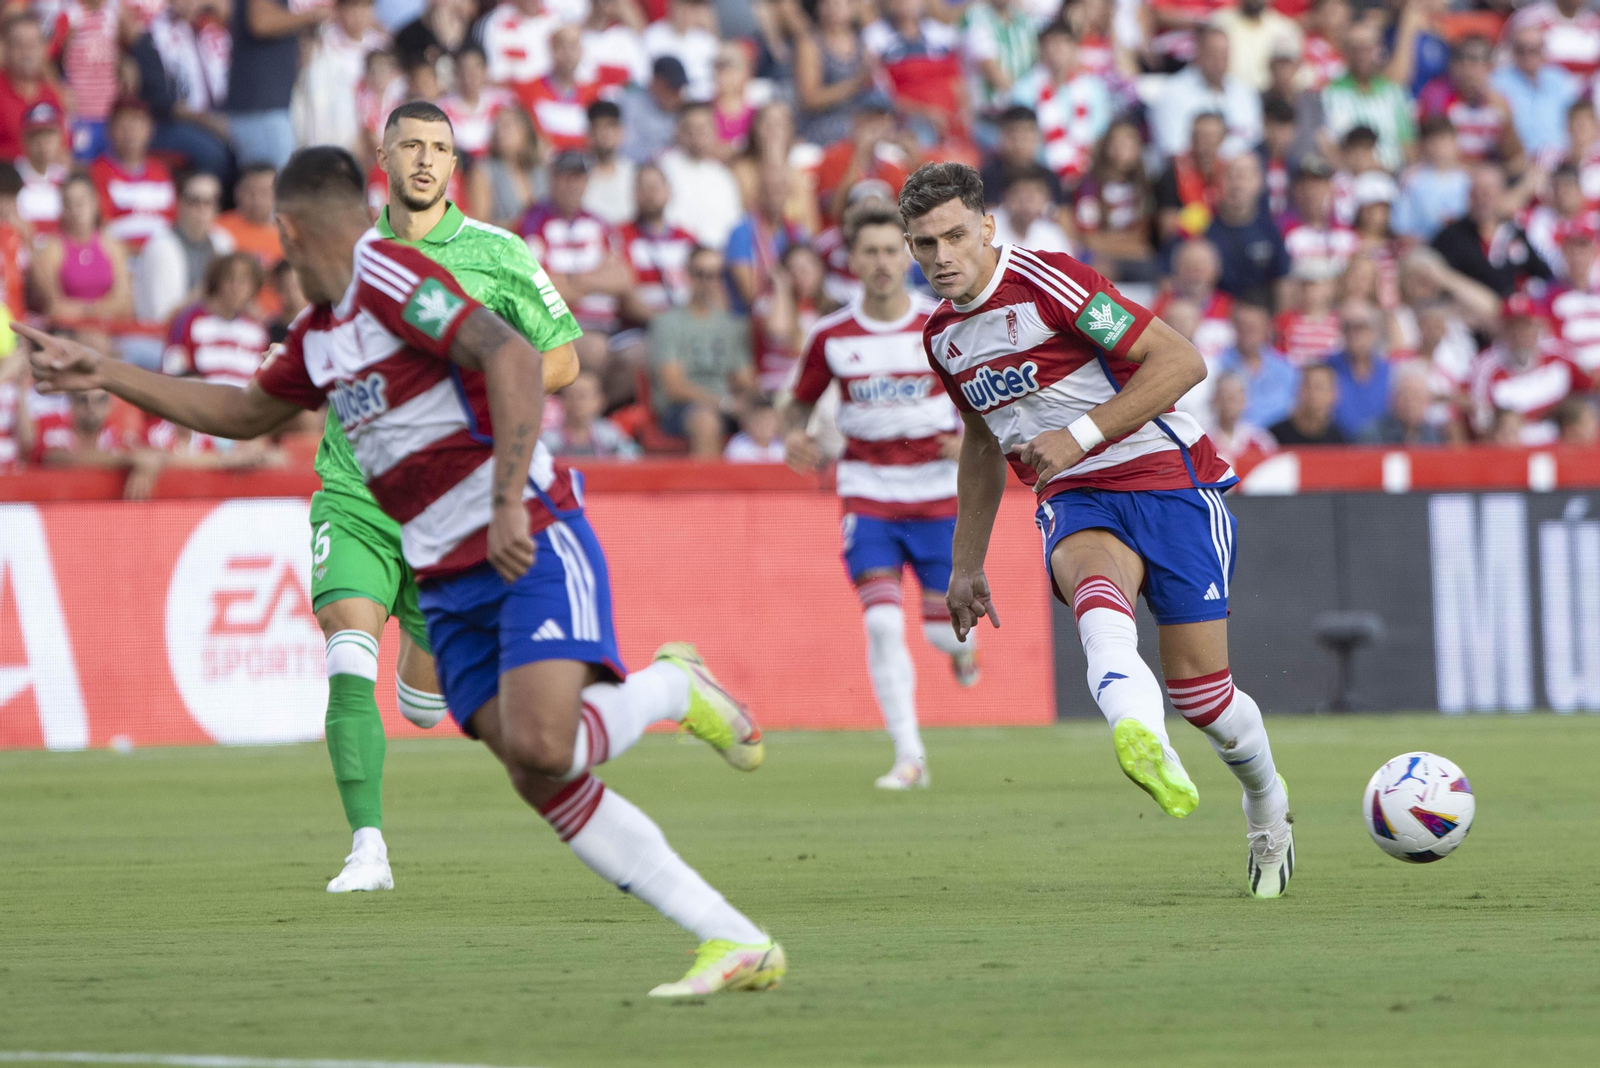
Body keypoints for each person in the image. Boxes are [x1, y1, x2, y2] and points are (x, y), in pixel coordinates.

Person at [24, 142, 786, 999]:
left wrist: (504, 502)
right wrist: (109, 372)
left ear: (290, 230)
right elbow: (240, 412)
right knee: (538, 770)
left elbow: (513, 356)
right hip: (445, 573)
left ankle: (674, 693)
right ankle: (733, 938)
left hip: (526, 531)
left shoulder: (389, 280)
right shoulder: (317, 336)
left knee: (546, 743)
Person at [901, 161, 1294, 898]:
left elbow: (1181, 361)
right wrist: (965, 564)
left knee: (1205, 699)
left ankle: (1267, 804)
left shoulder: (1051, 281)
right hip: (1076, 494)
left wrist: (1077, 434)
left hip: (1169, 481)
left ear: (988, 229)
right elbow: (983, 446)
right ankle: (1137, 737)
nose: (942, 256)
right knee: (1095, 592)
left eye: (955, 236)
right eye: (925, 244)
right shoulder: (942, 339)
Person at [784, 205, 974, 790]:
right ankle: (909, 756)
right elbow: (799, 403)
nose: (883, 262)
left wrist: (970, 437)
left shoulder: (942, 324)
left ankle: (960, 654)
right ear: (852, 259)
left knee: (946, 633)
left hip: (940, 498)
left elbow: (986, 393)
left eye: (894, 250)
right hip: (868, 494)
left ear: (912, 255)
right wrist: (797, 436)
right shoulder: (831, 336)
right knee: (884, 625)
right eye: (870, 251)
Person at [519, 150, 633, 376]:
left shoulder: (600, 223)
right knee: (595, 350)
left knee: (639, 356)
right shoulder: (532, 223)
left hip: (608, 325)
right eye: (566, 177)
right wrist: (598, 280)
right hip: (558, 326)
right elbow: (535, 287)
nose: (573, 185)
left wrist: (574, 279)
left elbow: (624, 279)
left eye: (579, 177)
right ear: (552, 179)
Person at [649, 245, 755, 457]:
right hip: (681, 409)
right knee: (705, 421)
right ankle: (710, 490)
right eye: (701, 274)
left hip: (726, 405)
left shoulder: (731, 325)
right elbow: (674, 387)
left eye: (715, 275)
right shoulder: (667, 322)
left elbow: (745, 380)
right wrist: (724, 403)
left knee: (771, 418)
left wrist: (753, 405)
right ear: (687, 274)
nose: (707, 282)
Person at [1470, 292, 1590, 443]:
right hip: (1515, 450)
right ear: (1503, 332)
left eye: (1525, 327)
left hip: (1561, 445)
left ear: (1537, 328)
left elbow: (1590, 383)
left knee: (1583, 415)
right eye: (1513, 328)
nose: (1520, 335)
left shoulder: (1558, 353)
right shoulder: (1486, 367)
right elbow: (1482, 426)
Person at [228, 0, 329, 169]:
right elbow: (261, 22)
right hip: (260, 109)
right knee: (273, 185)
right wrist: (311, 16)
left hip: (270, 106)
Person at [1431, 163, 1553, 298]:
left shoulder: (1513, 232)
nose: (1482, 200)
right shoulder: (1450, 238)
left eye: (1487, 193)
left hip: (1514, 311)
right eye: (1475, 194)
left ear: (1500, 195)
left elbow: (1544, 275)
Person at [30, 172, 134, 327]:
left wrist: (85, 311)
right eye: (68, 204)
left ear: (95, 203)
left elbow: (125, 305)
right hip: (69, 333)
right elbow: (54, 308)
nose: (75, 211)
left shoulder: (113, 246)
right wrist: (98, 311)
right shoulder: (50, 250)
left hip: (111, 331)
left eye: (80, 203)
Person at [134, 171, 237, 325]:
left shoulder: (223, 242)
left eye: (209, 202)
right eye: (195, 201)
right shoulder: (161, 246)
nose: (202, 208)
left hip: (214, 331)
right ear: (180, 203)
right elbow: (163, 316)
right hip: (160, 337)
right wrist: (206, 292)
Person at [1151, 27, 1262, 160]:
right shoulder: (1173, 92)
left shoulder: (1244, 93)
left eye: (1224, 54)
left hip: (1237, 174)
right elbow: (1173, 149)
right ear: (1198, 53)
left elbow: (1255, 142)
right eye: (1213, 54)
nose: (1219, 61)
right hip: (1189, 175)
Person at [1320, 23, 1415, 171]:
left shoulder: (1394, 93)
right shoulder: (1329, 94)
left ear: (1377, 50)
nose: (1361, 55)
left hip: (1391, 177)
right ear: (1345, 51)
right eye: (1355, 49)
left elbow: (1408, 144)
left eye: (1367, 48)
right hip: (1347, 178)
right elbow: (1325, 143)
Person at [88, 99, 177, 254]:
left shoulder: (161, 171)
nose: (131, 131)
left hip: (163, 259)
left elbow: (174, 221)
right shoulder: (97, 172)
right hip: (119, 260)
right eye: (124, 124)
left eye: (138, 123)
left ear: (150, 129)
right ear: (109, 130)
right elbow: (102, 229)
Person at [1074, 119, 1157, 282]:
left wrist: (1118, 242)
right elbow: (1090, 240)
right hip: (1098, 258)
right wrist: (1129, 245)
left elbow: (1143, 239)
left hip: (1134, 260)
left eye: (1129, 142)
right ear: (1105, 147)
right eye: (1116, 142)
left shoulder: (1144, 187)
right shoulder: (1090, 187)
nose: (1122, 149)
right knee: (1100, 271)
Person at [659, 101, 744, 250]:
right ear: (678, 131)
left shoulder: (723, 176)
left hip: (718, 257)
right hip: (675, 253)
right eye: (691, 128)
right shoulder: (663, 168)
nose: (697, 134)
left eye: (703, 128)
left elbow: (733, 222)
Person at [1205, 152, 1289, 299]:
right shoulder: (1201, 228)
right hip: (1214, 316)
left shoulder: (1271, 230)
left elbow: (1283, 283)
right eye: (1230, 176)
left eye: (1243, 177)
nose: (1236, 184)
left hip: (1260, 314)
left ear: (1259, 182)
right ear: (1218, 182)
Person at [1492, 25, 1580, 161]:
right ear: (1512, 51)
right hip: (1516, 160)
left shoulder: (1560, 80)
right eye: (1521, 49)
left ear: (1544, 51)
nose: (1527, 55)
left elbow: (1576, 121)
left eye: (1534, 50)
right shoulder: (1498, 82)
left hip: (1562, 159)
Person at [792, 0, 870, 148]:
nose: (832, 10)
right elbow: (809, 98)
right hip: (821, 125)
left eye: (839, 4)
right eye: (827, 4)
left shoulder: (862, 42)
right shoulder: (809, 43)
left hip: (859, 122)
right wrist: (854, 85)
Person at [0, 13, 68, 164]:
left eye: (32, 44)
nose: (27, 53)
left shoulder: (52, 95)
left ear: (42, 49)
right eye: (19, 45)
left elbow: (63, 152)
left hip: (44, 182)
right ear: (6, 48)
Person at [1219, 295, 1297, 428]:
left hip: (1278, 441)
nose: (1246, 334)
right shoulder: (1217, 365)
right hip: (1233, 442)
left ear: (1267, 328)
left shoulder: (1285, 370)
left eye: (1252, 328)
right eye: (1241, 328)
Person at [1393, 116, 1471, 242]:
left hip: (1463, 245)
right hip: (1424, 247)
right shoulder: (1411, 179)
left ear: (1455, 143)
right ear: (1424, 145)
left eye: (1444, 141)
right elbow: (1401, 226)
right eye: (1434, 142)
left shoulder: (1467, 179)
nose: (1440, 148)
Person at [468, 105, 545, 230]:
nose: (500, 132)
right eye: (497, 127)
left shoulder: (540, 169)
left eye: (507, 126)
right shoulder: (483, 169)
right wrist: (521, 226)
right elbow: (479, 223)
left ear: (525, 131)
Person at [542, 370, 641, 459]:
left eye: (582, 396)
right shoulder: (550, 438)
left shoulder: (610, 434)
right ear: (562, 401)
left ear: (599, 401)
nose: (576, 402)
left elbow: (633, 457)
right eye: (570, 396)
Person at [619, 55, 688, 165]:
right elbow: (625, 150)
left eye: (679, 88)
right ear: (655, 81)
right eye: (671, 87)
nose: (676, 93)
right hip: (637, 169)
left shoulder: (683, 109)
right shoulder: (631, 104)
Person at [1359, 361, 1445, 445]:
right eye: (1405, 395)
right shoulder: (1372, 436)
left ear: (1427, 401)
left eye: (1417, 396)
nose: (1411, 403)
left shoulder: (1432, 437)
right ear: (1393, 398)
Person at [990, 164, 1071, 254]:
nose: (1026, 203)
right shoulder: (986, 230)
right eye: (1020, 194)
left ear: (1046, 198)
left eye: (1032, 196)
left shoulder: (1053, 235)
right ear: (1005, 196)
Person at [581, 100, 635, 227]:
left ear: (621, 132)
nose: (604, 133)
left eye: (610, 126)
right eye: (597, 127)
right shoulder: (577, 173)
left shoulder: (633, 174)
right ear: (588, 133)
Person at [1206, 371, 1277, 466]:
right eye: (1225, 397)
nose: (1229, 404)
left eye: (1234, 398)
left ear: (1245, 401)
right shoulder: (1201, 440)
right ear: (1215, 400)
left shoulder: (1260, 441)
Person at [1268, 362, 1346, 445]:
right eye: (1307, 385)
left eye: (1319, 387)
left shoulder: (1340, 441)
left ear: (1334, 394)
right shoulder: (1274, 437)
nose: (1312, 393)